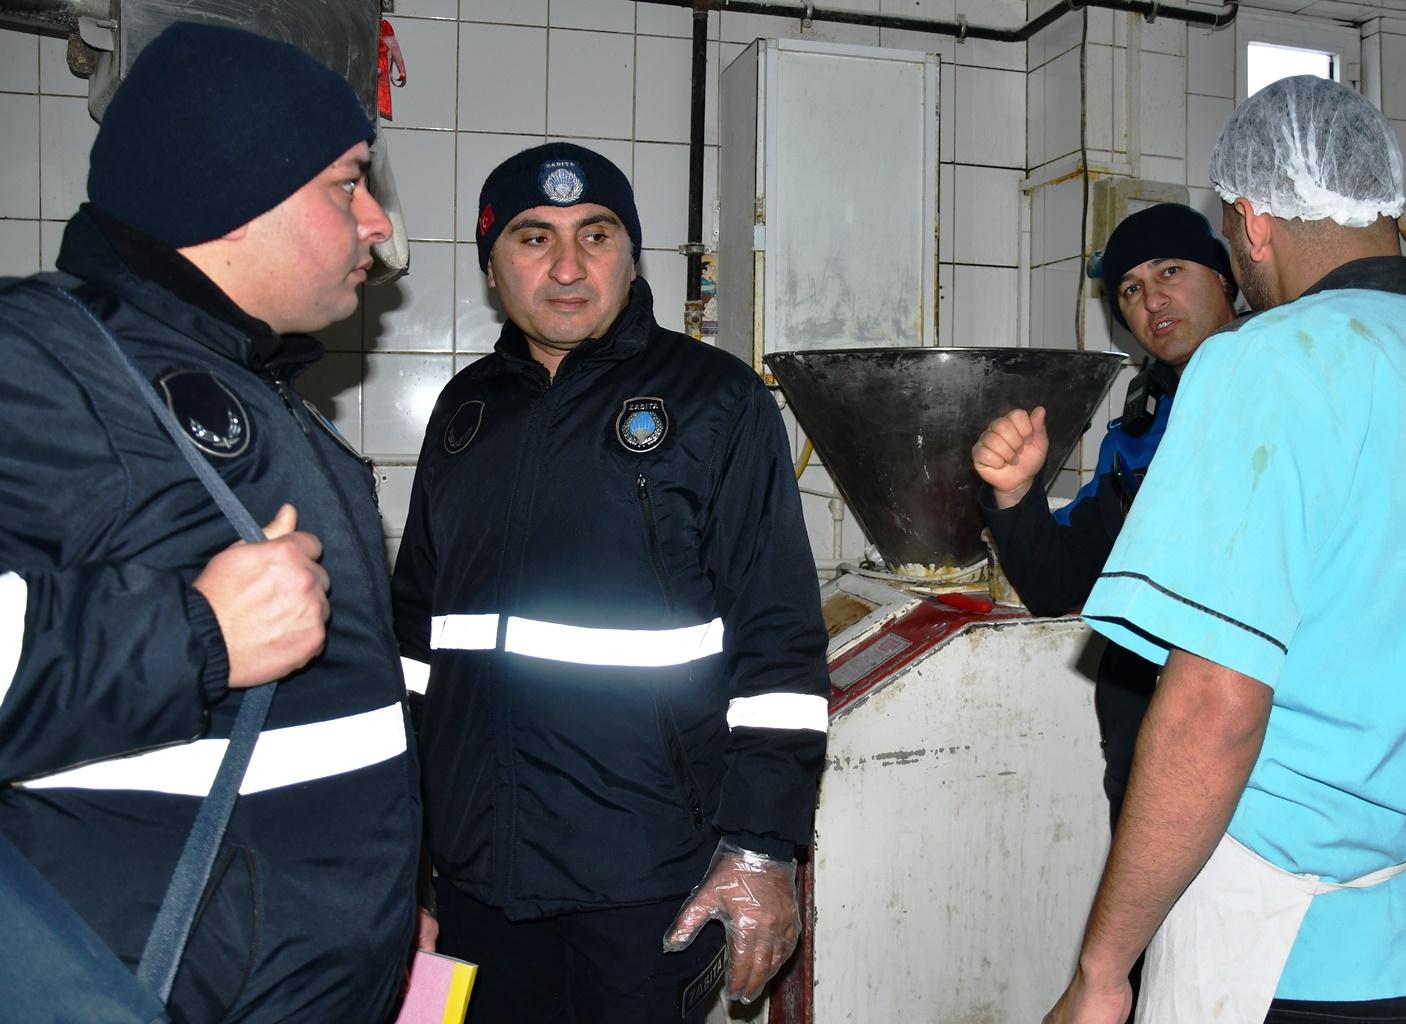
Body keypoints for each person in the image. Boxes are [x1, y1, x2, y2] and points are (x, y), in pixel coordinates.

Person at [0, 23, 423, 1022]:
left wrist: (393, 898)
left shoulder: (258, 387)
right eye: (347, 185)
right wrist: (197, 633)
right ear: (234, 195)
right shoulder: (39, 362)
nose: (377, 225)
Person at [392, 142, 830, 1022]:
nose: (567, 266)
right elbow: (413, 650)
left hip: (647, 879)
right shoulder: (463, 414)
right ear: (492, 267)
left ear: (631, 257)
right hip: (477, 875)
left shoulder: (717, 401)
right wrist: (403, 849)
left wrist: (761, 846)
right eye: (533, 238)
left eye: (595, 236)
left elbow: (779, 646)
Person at [1044, 75, 1406, 1024]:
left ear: (1250, 222)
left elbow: (1216, 704)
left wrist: (1103, 969)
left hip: (1286, 943)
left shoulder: (1267, 362)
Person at [972, 203, 1238, 832]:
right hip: (1147, 765)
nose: (1153, 300)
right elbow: (1056, 582)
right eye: (1131, 289)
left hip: (1257, 771)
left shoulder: (1289, 386)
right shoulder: (1139, 433)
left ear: (1224, 278)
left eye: (1170, 270)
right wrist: (1016, 493)